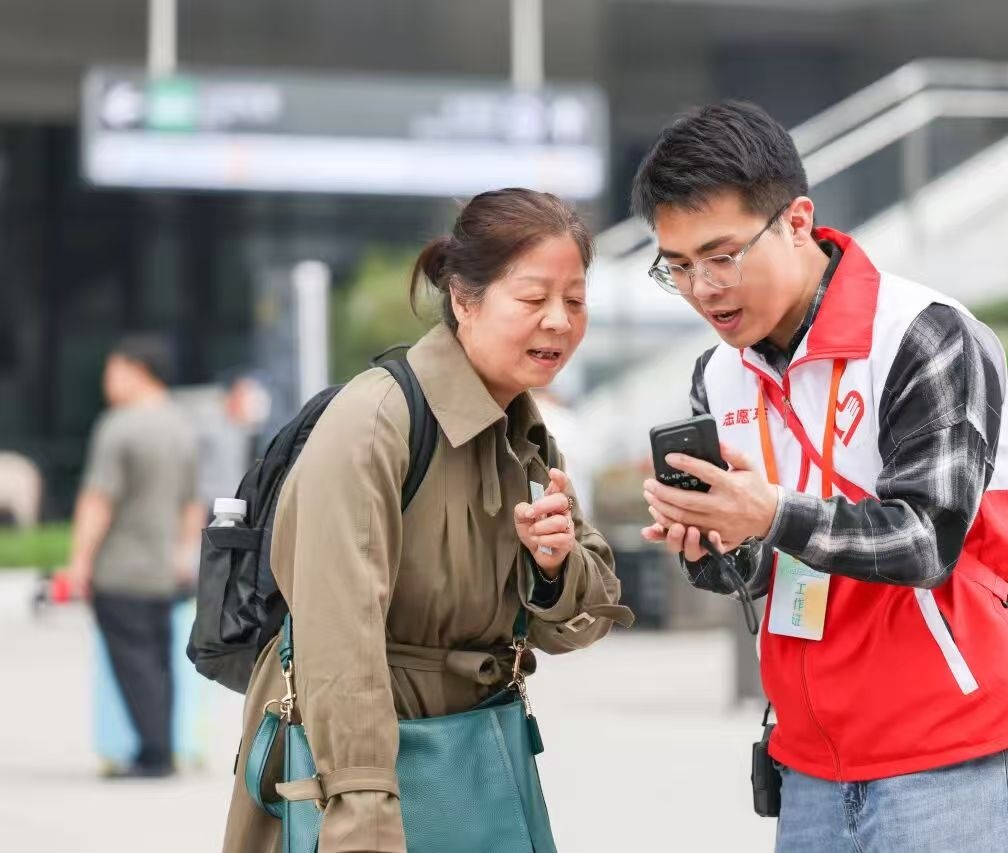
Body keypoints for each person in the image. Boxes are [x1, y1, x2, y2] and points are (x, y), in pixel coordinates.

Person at [636, 102, 1008, 852]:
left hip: (945, 750)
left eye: (722, 256)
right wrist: (711, 542)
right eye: (678, 266)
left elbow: (927, 541)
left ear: (797, 221)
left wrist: (770, 513)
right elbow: (754, 574)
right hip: (810, 757)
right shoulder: (718, 374)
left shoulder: (922, 333)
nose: (703, 287)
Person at [222, 188, 634, 853]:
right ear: (464, 300)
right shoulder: (376, 421)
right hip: (356, 774)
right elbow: (338, 643)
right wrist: (362, 817)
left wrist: (553, 567)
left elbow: (584, 619)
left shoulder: (528, 438)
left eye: (576, 300)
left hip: (477, 767)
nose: (559, 321)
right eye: (533, 298)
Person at [65, 335, 203, 779]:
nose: (107, 381)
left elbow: (98, 499)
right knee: (160, 664)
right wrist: (184, 554)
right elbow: (192, 503)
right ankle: (161, 748)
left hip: (121, 569)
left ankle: (153, 755)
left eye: (112, 371)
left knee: (134, 664)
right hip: (165, 569)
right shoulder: (182, 426)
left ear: (137, 371)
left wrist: (79, 561)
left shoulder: (118, 427)